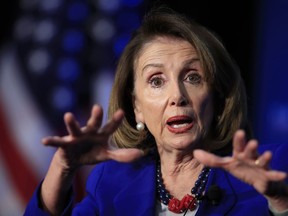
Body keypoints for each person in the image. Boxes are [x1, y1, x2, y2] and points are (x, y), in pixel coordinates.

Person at [24, 6, 288, 216]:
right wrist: (62, 167)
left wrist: (280, 202)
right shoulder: (111, 183)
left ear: (217, 96)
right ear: (136, 107)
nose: (177, 96)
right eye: (156, 81)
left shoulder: (273, 166)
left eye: (193, 77)